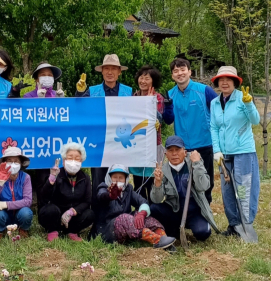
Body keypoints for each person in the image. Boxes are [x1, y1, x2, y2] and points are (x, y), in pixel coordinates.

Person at [209, 66, 260, 236]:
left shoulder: (242, 99)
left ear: (235, 82)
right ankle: (234, 225)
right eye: (221, 80)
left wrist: (249, 104)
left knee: (244, 189)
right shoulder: (214, 103)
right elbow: (214, 128)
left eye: (228, 79)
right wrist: (217, 151)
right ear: (217, 83)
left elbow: (255, 120)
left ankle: (246, 224)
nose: (224, 83)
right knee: (227, 190)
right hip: (224, 155)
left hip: (243, 152)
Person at [75, 54, 132, 193]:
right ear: (102, 71)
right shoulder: (93, 91)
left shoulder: (128, 91)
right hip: (98, 143)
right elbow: (79, 107)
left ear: (119, 72)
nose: (110, 72)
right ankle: (97, 213)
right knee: (98, 182)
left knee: (119, 179)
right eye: (107, 68)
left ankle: (120, 211)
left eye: (113, 69)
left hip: (120, 142)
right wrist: (79, 91)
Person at [163, 58, 218, 203]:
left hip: (204, 144)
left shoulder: (204, 90)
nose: (180, 73)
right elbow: (168, 120)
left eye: (182, 70)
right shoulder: (170, 94)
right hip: (182, 148)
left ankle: (205, 214)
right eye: (176, 71)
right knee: (185, 182)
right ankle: (189, 214)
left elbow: (219, 112)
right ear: (172, 75)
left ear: (189, 72)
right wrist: (167, 107)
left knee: (205, 182)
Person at [150, 136, 219, 241]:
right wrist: (158, 183)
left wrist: (197, 164)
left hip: (194, 211)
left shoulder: (194, 163)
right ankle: (173, 229)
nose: (174, 154)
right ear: (165, 154)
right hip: (174, 210)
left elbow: (204, 186)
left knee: (203, 233)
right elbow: (156, 199)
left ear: (185, 152)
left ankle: (195, 224)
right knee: (154, 208)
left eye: (177, 150)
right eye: (170, 150)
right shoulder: (163, 170)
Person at [93, 164, 175, 250]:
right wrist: (111, 196)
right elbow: (101, 196)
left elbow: (143, 201)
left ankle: (165, 241)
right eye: (115, 177)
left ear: (125, 179)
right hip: (108, 230)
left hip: (127, 228)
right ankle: (157, 240)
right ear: (109, 178)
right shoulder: (103, 188)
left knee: (144, 217)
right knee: (124, 218)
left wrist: (142, 213)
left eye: (121, 178)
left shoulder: (128, 190)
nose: (118, 180)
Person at [38, 143, 94, 242]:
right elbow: (44, 197)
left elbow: (87, 201)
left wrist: (73, 211)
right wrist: (51, 181)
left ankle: (72, 231)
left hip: (72, 217)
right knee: (50, 210)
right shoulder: (57, 174)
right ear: (63, 161)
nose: (73, 161)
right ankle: (53, 230)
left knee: (90, 214)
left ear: (81, 161)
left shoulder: (85, 178)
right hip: (56, 214)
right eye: (70, 158)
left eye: (77, 159)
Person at [130, 65, 165, 202]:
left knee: (150, 180)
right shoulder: (134, 97)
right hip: (136, 143)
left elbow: (159, 119)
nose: (143, 81)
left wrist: (150, 103)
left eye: (147, 78)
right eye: (141, 77)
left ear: (153, 81)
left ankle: (152, 210)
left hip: (153, 144)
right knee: (138, 181)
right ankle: (140, 210)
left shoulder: (158, 97)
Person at [0, 147, 33, 240]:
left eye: (16, 161)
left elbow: (28, 201)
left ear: (21, 164)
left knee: (26, 213)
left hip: (19, 214)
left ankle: (23, 229)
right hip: (3, 216)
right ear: (4, 163)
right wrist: (0, 183)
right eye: (9, 161)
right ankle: (0, 231)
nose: (13, 164)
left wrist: (5, 204)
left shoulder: (26, 178)